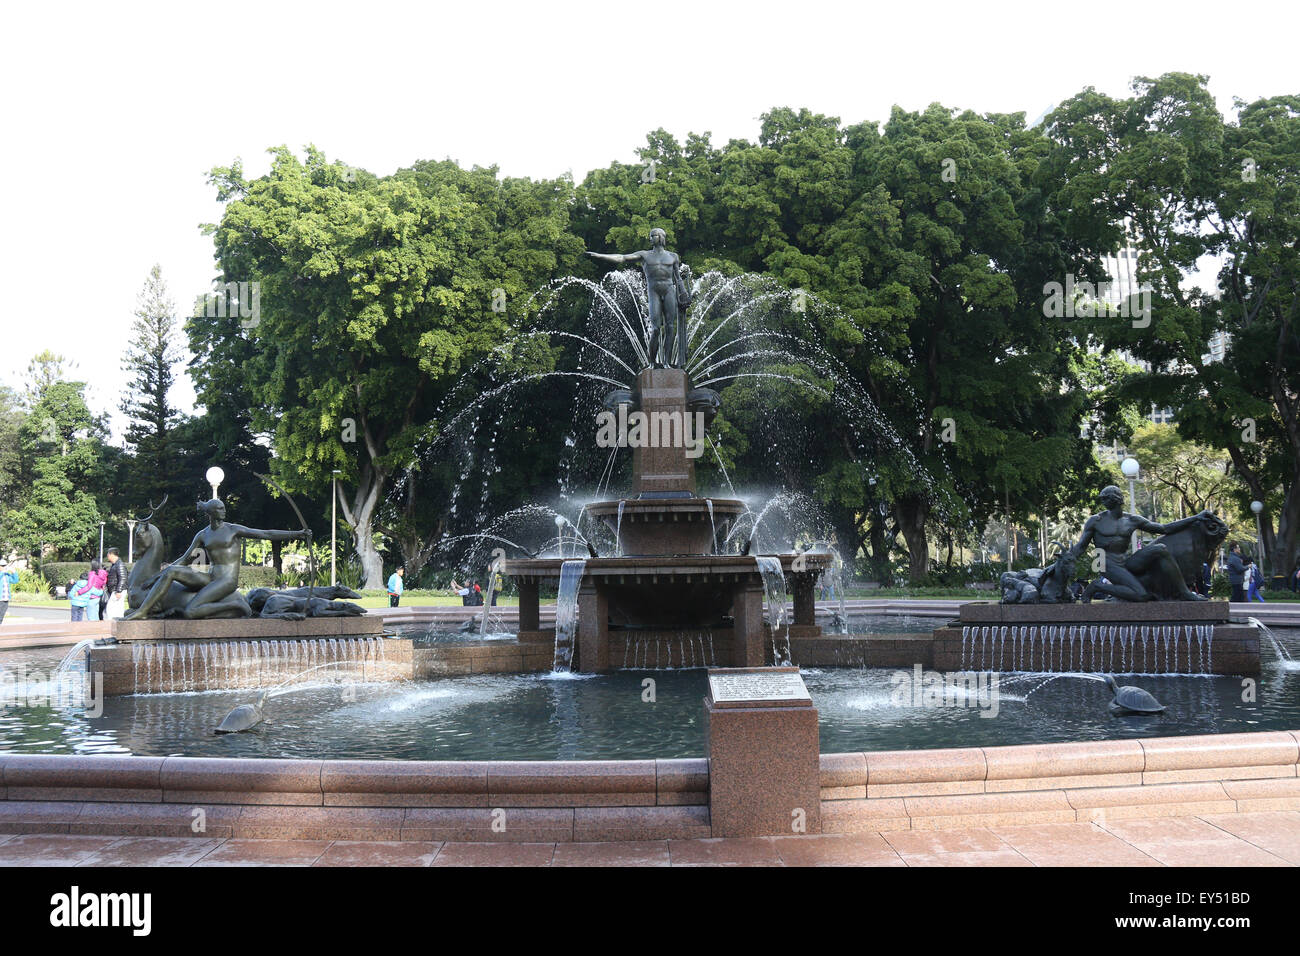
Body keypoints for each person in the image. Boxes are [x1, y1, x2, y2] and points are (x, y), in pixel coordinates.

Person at [102, 547, 126, 619]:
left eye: (108, 554)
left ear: (111, 554)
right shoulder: (116, 564)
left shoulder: (119, 564)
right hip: (115, 590)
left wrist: (119, 591)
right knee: (114, 610)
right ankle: (115, 626)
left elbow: (123, 578)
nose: (107, 556)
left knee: (112, 609)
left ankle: (115, 626)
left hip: (117, 590)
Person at [0, 559, 18, 626]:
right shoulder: (2, 573)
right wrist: (3, 572)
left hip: (6, 598)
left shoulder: (6, 575)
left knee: (1, 615)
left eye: (5, 565)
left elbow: (15, 581)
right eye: (2, 565)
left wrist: (14, 572)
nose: (4, 567)